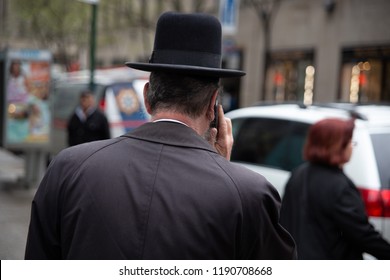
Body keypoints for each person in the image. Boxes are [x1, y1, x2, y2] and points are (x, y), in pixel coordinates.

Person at [25, 12, 296, 260]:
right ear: (213, 103)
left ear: (146, 97)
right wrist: (222, 170)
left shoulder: (68, 167)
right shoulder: (249, 193)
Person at [280, 118, 390, 259]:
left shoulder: (298, 174)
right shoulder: (340, 186)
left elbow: (285, 222)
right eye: (349, 142)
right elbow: (362, 234)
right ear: (337, 146)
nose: (352, 146)